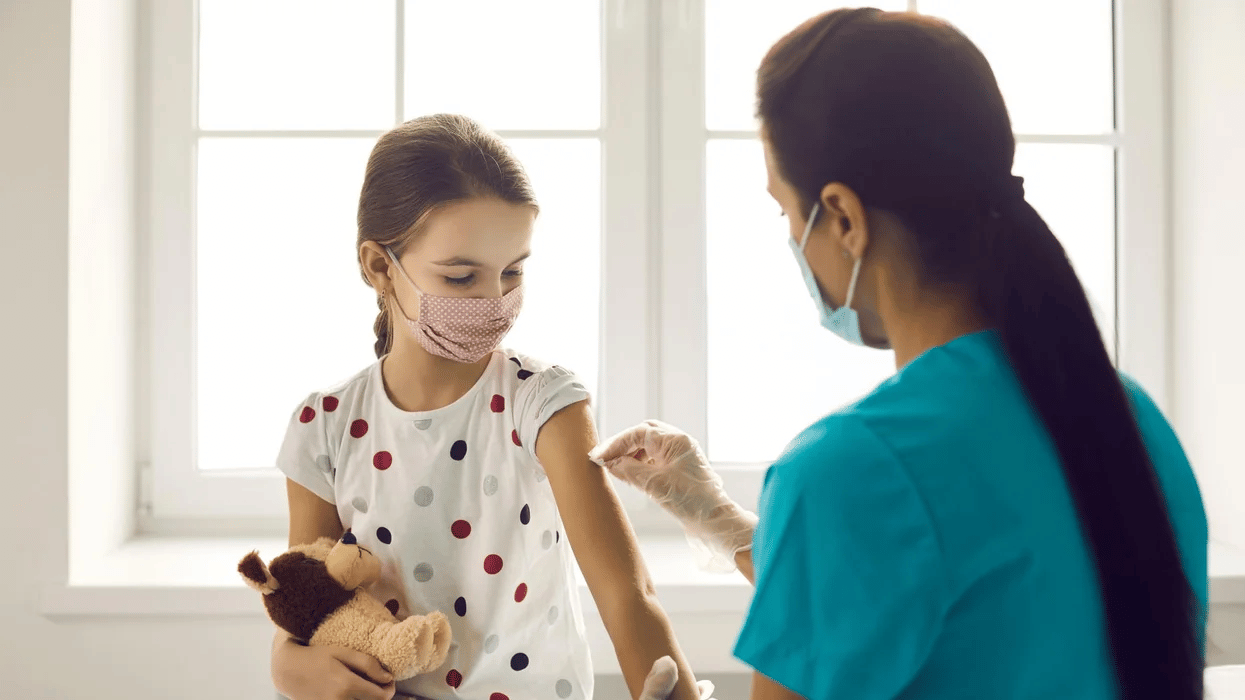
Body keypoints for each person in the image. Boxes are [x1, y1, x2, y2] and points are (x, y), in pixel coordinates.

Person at [594, 8, 1208, 700]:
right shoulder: (1127, 420)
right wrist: (722, 521)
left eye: (785, 212)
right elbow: (956, 605)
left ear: (844, 217)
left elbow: (895, 546)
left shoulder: (849, 467)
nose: (791, 237)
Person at [269, 114, 701, 700]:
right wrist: (288, 665)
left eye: (513, 271)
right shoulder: (325, 426)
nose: (495, 301)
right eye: (461, 276)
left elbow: (627, 596)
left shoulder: (542, 403)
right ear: (378, 266)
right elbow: (306, 601)